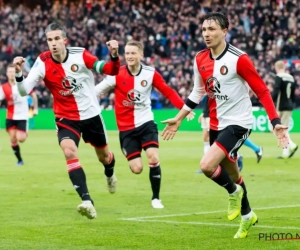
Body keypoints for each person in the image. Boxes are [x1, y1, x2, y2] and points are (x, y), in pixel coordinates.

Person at [161, 12, 288, 239]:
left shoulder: (239, 58)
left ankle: (233, 192)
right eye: (203, 30)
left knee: (207, 166)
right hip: (217, 124)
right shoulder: (200, 58)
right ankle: (248, 216)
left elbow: (261, 90)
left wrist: (275, 121)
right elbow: (198, 91)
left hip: (239, 123)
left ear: (224, 31)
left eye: (211, 29)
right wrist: (179, 117)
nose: (206, 34)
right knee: (234, 173)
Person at [13, 22, 120, 220]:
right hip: (65, 117)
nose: (53, 43)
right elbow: (23, 90)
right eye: (49, 40)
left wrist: (114, 55)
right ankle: (87, 201)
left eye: (56, 39)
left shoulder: (81, 55)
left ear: (65, 40)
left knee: (104, 157)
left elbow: (110, 70)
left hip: (91, 115)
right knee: (69, 151)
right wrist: (19, 73)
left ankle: (109, 173)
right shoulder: (42, 61)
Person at [95, 40, 193, 209]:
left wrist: (184, 109)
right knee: (137, 168)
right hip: (126, 129)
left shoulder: (150, 73)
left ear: (141, 55)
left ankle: (156, 198)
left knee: (153, 157)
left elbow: (167, 91)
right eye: (127, 53)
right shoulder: (116, 74)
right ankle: (110, 168)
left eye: (133, 53)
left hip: (146, 122)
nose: (130, 56)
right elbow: (96, 91)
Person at [199, 95, 263, 163]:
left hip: (216, 114)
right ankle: (255, 149)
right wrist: (204, 112)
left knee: (223, 138)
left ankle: (237, 156)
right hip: (209, 112)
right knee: (207, 138)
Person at [0, 64, 38, 166]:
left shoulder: (22, 84)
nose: (12, 74)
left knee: (21, 139)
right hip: (10, 116)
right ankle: (20, 160)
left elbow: (33, 95)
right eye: (10, 72)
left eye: (13, 72)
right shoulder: (3, 87)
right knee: (13, 138)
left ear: (16, 73)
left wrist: (35, 108)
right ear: (7, 74)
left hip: (22, 116)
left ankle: (24, 132)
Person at [273, 60, 298, 159]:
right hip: (289, 105)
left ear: (277, 68)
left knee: (276, 129)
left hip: (280, 106)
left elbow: (276, 91)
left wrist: (270, 102)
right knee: (284, 129)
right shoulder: (291, 77)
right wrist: (292, 104)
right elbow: (293, 94)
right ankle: (285, 152)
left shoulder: (279, 77)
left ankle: (291, 145)